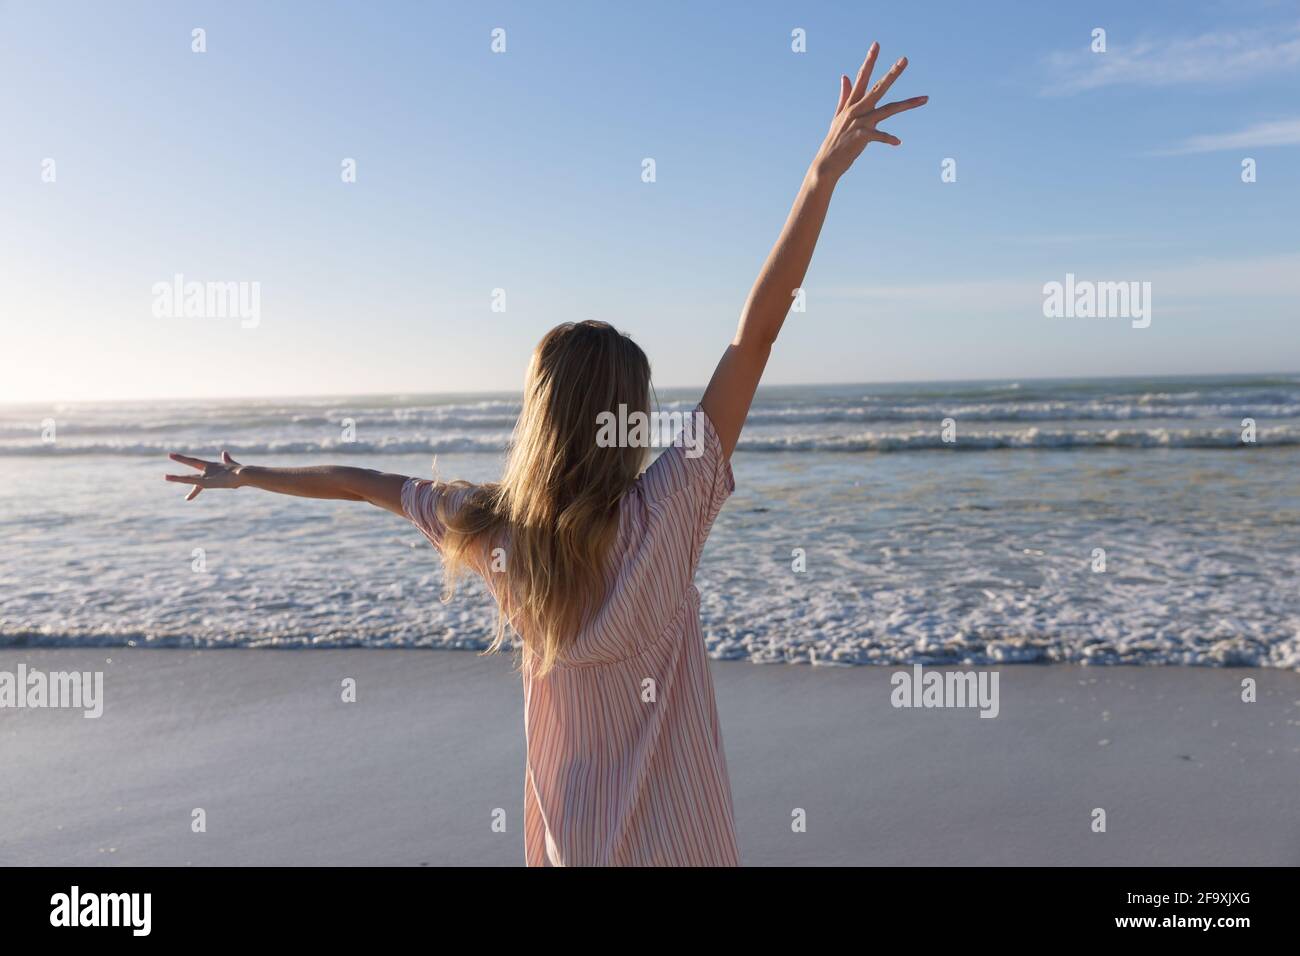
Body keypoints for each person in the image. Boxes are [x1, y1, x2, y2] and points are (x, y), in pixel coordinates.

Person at [165, 41, 926, 866]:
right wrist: (820, 177)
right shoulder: (666, 513)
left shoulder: (495, 534)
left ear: (540, 417)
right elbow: (756, 337)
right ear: (628, 417)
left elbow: (366, 484)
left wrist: (250, 475)